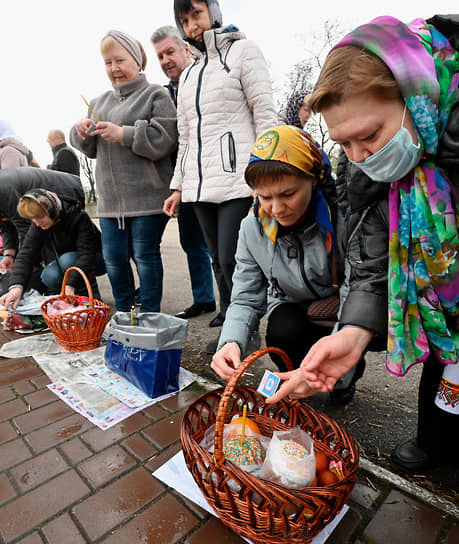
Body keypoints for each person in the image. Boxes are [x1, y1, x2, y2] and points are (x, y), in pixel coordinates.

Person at [269, 15, 459, 472]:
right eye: (343, 142)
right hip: (447, 309)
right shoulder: (367, 169)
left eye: (370, 136)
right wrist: (352, 333)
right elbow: (375, 262)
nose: (359, 157)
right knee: (446, 356)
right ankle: (438, 442)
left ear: (418, 99)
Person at [211, 125, 362, 403]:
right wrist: (230, 341)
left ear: (314, 180)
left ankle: (343, 379)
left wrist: (341, 356)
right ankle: (296, 385)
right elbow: (245, 297)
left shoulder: (343, 217)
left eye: (288, 194)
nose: (276, 209)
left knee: (349, 338)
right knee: (282, 330)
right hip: (290, 302)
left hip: (338, 305)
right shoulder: (251, 227)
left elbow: (358, 292)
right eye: (265, 197)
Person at [163, 0, 278, 337]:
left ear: (213, 12)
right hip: (199, 186)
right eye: (184, 20)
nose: (192, 25)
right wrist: (178, 186)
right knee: (217, 260)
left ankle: (245, 328)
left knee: (232, 259)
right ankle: (232, 325)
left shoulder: (244, 51)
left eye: (196, 14)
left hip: (238, 179)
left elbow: (265, 113)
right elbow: (185, 137)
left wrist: (266, 170)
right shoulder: (187, 75)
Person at [70, 30, 178, 313]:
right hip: (110, 204)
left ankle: (150, 314)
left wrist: (125, 133)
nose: (114, 68)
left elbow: (166, 137)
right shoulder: (99, 102)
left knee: (145, 255)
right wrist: (81, 131)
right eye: (108, 62)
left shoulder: (156, 94)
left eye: (120, 60)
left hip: (147, 198)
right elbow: (88, 148)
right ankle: (125, 313)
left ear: (138, 60)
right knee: (114, 258)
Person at [151, 25, 215, 320]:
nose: (165, 60)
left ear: (185, 50)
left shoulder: (208, 78)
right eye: (160, 55)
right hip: (182, 181)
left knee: (221, 245)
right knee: (192, 242)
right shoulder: (162, 96)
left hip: (214, 175)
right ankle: (204, 298)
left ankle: (234, 306)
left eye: (170, 52)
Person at [0, 189, 104, 309]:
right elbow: (26, 254)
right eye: (33, 220)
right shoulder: (39, 223)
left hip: (95, 260)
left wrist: (71, 283)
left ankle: (90, 294)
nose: (37, 224)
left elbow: (87, 254)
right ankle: (68, 296)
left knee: (67, 260)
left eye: (39, 218)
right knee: (48, 275)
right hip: (67, 263)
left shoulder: (79, 217)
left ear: (52, 212)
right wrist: (16, 287)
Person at [0, 167, 85, 273]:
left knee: (65, 259)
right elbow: (6, 226)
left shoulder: (2, 190)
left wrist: (22, 265)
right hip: (45, 202)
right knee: (51, 266)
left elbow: (24, 226)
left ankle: (74, 282)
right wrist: (9, 255)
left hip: (65, 190)